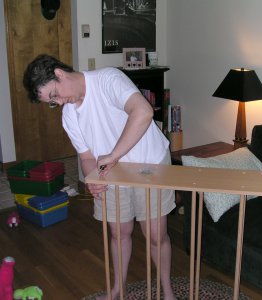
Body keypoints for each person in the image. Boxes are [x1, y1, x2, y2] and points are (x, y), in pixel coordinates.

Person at [23, 54, 177, 300]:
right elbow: (86, 157)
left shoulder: (107, 79)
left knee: (156, 235)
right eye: (52, 102)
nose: (59, 102)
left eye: (54, 95)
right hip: (112, 172)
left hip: (150, 165)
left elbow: (143, 111)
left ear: (59, 74)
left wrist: (114, 155)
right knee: (119, 233)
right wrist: (91, 179)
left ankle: (167, 291)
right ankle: (118, 288)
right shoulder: (70, 115)